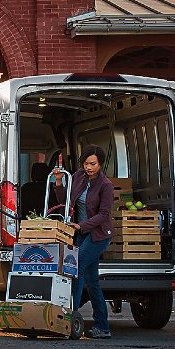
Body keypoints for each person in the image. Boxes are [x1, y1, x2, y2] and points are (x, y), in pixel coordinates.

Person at [52, 144, 114, 339]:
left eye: (93, 164)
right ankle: (102, 326)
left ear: (101, 164)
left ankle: (70, 320)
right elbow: (66, 201)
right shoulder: (78, 176)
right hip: (80, 233)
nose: (89, 167)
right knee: (92, 281)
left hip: (98, 235)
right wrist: (59, 183)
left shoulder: (106, 185)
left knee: (76, 269)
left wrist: (82, 226)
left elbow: (104, 215)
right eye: (86, 163)